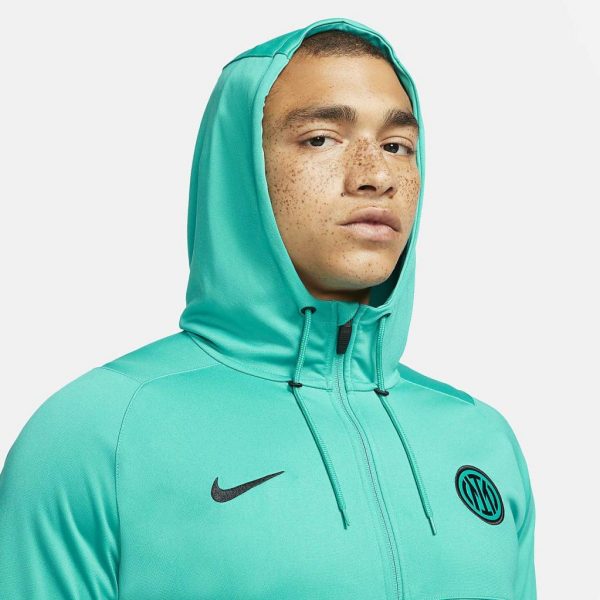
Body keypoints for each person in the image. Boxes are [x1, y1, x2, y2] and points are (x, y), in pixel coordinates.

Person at [0, 16, 537, 600]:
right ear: (240, 167)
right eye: (321, 139)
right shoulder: (100, 435)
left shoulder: (481, 440)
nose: (375, 175)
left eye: (396, 146)